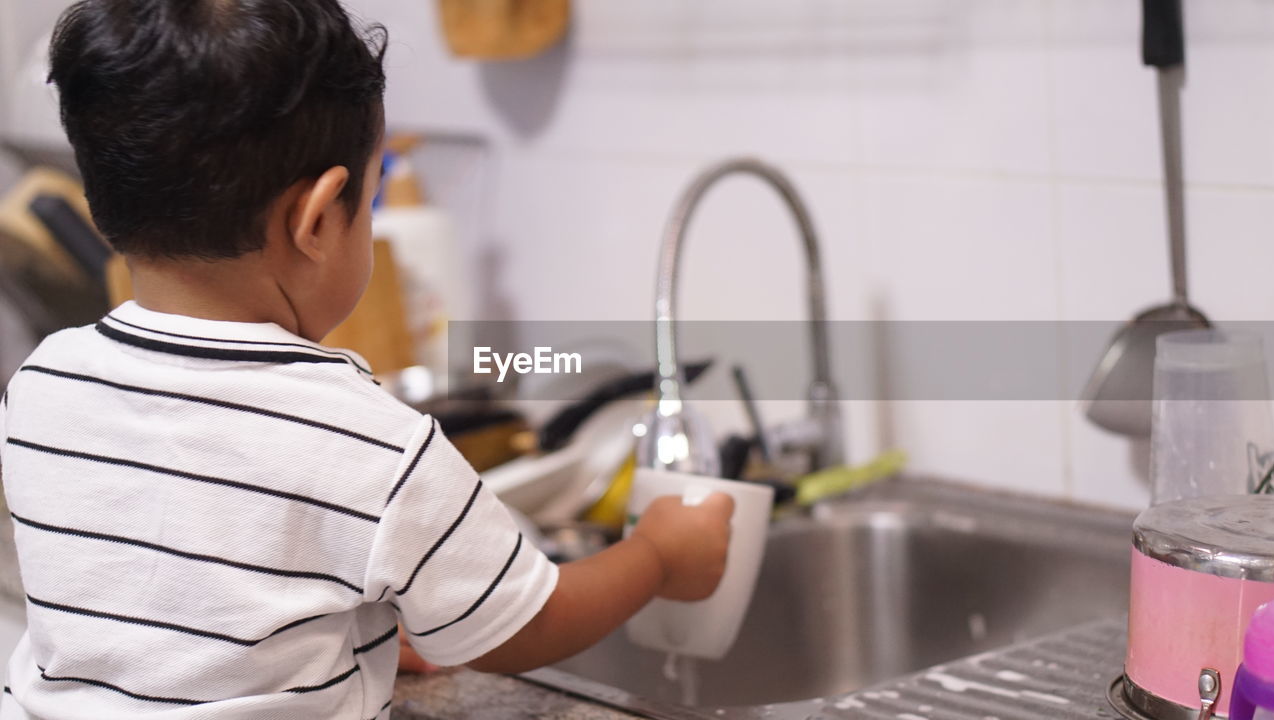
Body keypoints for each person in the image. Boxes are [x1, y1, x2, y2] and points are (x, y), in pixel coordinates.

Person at [0, 1, 733, 717]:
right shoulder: (365, 442)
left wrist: (354, 619)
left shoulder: (41, 386)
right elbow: (524, 625)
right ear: (318, 219)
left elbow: (170, 607)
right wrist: (662, 556)